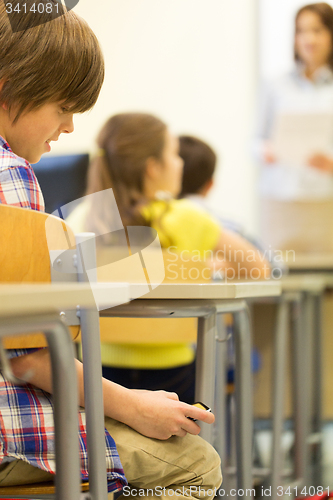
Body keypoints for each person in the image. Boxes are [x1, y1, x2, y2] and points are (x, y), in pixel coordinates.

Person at [0, 4, 222, 499]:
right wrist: (134, 406)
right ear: (11, 87)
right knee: (197, 461)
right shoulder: (12, 177)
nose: (71, 127)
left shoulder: (79, 219)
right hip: (14, 435)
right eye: (63, 107)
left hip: (85, 375)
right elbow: (29, 357)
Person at [67, 112, 270, 403]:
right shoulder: (187, 217)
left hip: (97, 379)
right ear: (152, 168)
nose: (180, 163)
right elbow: (257, 268)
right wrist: (200, 268)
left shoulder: (82, 218)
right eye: (174, 154)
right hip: (174, 377)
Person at [255, 2, 333, 253]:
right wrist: (264, 151)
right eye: (301, 31)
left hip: (325, 199)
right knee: (279, 273)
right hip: (281, 198)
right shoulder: (276, 85)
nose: (308, 39)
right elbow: (254, 140)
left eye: (317, 30)